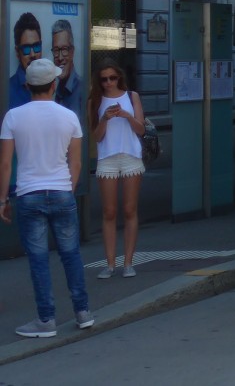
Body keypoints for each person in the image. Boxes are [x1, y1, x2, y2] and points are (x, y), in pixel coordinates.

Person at [0, 58, 93, 337]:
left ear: (28, 85)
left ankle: (46, 320)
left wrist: (2, 199)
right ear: (54, 85)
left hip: (29, 194)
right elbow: (75, 163)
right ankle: (83, 312)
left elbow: (5, 164)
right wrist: (67, 187)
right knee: (70, 254)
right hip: (62, 192)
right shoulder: (69, 117)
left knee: (38, 259)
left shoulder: (13, 117)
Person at [87, 60, 145, 279]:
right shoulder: (95, 100)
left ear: (119, 77)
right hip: (107, 158)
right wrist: (104, 118)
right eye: (104, 79)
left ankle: (128, 262)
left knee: (130, 210)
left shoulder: (132, 97)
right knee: (109, 212)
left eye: (113, 78)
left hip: (130, 155)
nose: (109, 83)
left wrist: (127, 116)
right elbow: (96, 136)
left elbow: (140, 129)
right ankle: (110, 264)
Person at [8, 12, 43, 111]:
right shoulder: (6, 90)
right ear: (17, 52)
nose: (33, 54)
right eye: (26, 49)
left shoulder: (51, 85)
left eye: (36, 46)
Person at [50, 20, 83, 122]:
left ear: (72, 52)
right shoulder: (58, 89)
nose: (59, 57)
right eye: (56, 50)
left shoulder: (82, 89)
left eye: (64, 49)